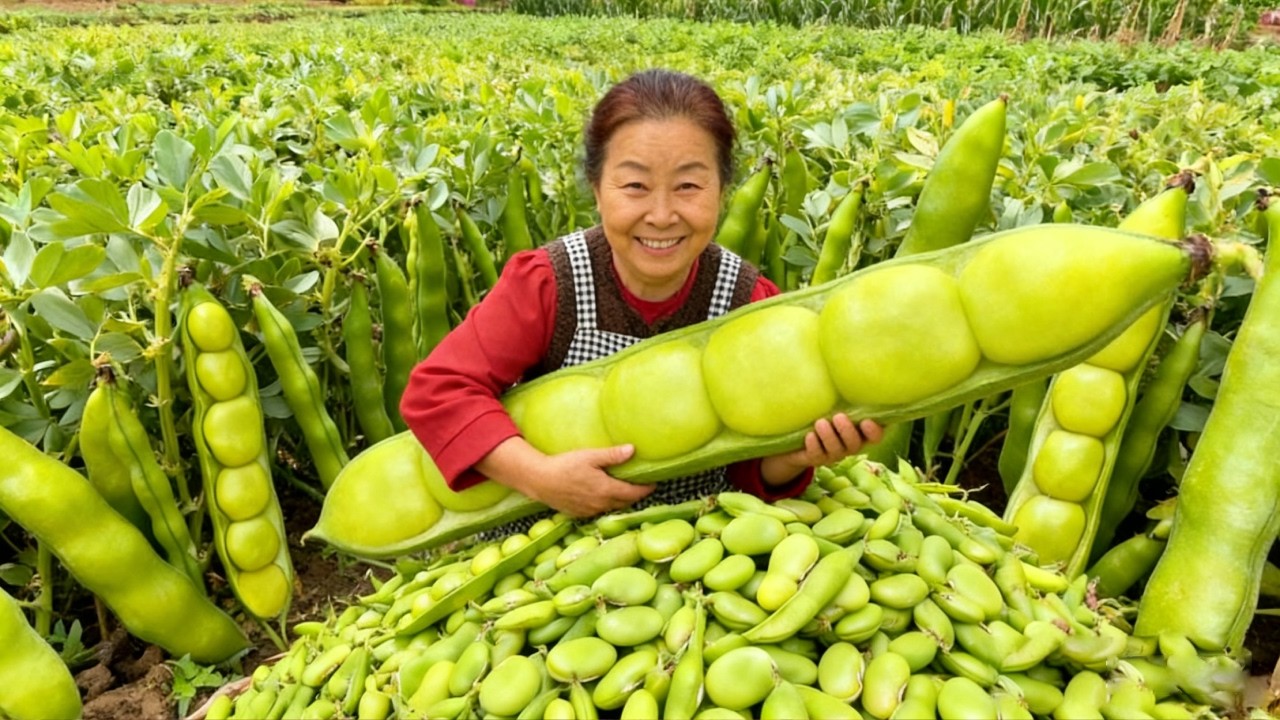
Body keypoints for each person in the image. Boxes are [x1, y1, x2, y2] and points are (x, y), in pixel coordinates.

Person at [401, 69, 882, 526]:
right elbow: (439, 391)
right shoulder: (549, 282)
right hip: (547, 539)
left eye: (688, 186)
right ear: (597, 189)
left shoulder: (749, 303)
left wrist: (794, 458)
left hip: (693, 544)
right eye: (635, 186)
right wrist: (539, 477)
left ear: (722, 191)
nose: (662, 215)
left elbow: (747, 464)